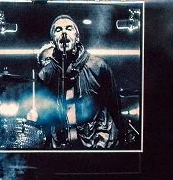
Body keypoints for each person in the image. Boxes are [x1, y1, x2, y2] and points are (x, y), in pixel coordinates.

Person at [31, 14, 122, 149]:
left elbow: (114, 106)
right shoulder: (45, 74)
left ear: (77, 37)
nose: (63, 33)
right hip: (61, 146)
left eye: (69, 28)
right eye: (58, 30)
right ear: (53, 40)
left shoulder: (98, 66)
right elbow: (44, 116)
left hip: (99, 143)